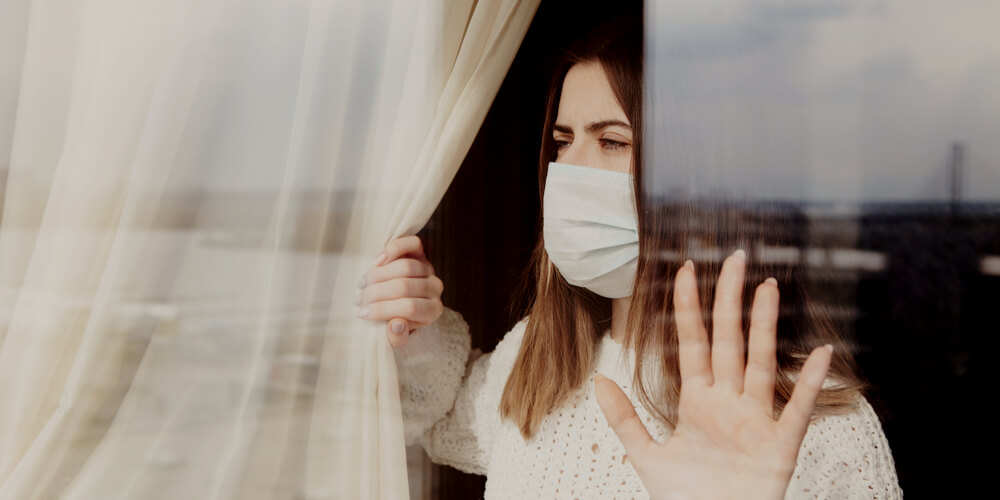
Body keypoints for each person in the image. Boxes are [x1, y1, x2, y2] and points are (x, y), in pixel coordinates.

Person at [354, 18, 901, 499]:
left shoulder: (822, 427)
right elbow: (446, 416)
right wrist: (414, 327)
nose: (568, 170)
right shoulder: (538, 362)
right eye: (563, 141)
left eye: (612, 141)